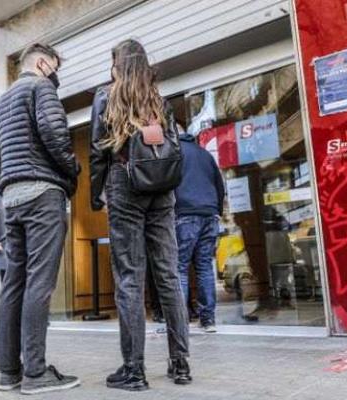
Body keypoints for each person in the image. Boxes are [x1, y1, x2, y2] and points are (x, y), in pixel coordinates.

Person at [90, 39, 191, 391]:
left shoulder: (106, 97)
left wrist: (94, 195)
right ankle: (181, 364)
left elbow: (97, 153)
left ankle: (134, 370)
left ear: (116, 65)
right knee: (167, 274)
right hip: (162, 190)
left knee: (130, 278)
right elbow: (172, 147)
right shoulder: (159, 101)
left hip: (125, 186)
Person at [0, 42, 81, 395]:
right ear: (43, 63)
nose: (57, 74)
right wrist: (72, 173)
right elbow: (56, 135)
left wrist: (9, 180)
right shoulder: (42, 87)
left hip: (13, 200)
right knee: (40, 284)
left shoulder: (3, 100)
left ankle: (9, 373)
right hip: (43, 195)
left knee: (14, 284)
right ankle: (36, 375)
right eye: (56, 66)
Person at [174, 125, 225, 333]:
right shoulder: (204, 154)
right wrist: (217, 209)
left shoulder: (173, 153)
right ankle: (208, 320)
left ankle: (180, 321)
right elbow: (219, 185)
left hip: (185, 213)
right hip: (209, 214)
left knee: (179, 268)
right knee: (204, 267)